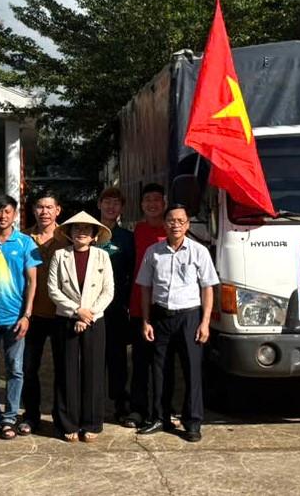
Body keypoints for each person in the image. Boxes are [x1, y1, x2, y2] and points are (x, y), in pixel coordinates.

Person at [136, 204, 219, 442]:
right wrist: (146, 320)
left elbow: (208, 288)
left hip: (189, 317)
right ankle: (160, 417)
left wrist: (204, 323)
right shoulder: (153, 252)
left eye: (180, 221)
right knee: (160, 370)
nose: (175, 225)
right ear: (164, 224)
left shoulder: (199, 251)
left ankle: (192, 422)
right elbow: (145, 288)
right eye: (171, 220)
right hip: (160, 316)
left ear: (187, 225)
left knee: (192, 370)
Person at [0, 195, 41, 440]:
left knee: (15, 370)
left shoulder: (25, 243)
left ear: (15, 214)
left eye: (7, 211)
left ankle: (10, 417)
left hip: (16, 318)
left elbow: (33, 282)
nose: (2, 216)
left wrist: (27, 315)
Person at [48, 212, 114, 442]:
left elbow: (108, 291)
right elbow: (53, 290)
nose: (81, 232)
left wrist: (89, 315)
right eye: (77, 228)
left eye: (87, 229)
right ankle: (67, 422)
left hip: (95, 320)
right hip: (66, 319)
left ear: (95, 235)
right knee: (66, 371)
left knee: (93, 371)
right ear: (69, 232)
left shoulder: (102, 257)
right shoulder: (59, 256)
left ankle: (92, 423)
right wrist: (77, 311)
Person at [20, 191, 67, 435]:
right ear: (33, 210)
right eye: (40, 207)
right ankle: (31, 415)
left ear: (58, 210)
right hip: (32, 314)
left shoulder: (68, 236)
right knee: (28, 368)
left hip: (61, 314)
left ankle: (61, 418)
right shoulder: (22, 238)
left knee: (63, 368)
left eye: (50, 207)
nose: (44, 212)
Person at [126, 183, 171, 428]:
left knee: (163, 362)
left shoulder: (173, 230)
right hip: (138, 306)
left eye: (157, 199)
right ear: (141, 205)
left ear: (164, 203)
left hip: (166, 306)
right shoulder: (137, 231)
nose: (152, 204)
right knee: (140, 360)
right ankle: (137, 409)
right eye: (147, 200)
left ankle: (163, 408)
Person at [96, 187, 136, 421]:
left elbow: (132, 273)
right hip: (91, 308)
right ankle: (91, 404)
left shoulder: (127, 238)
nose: (111, 207)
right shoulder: (88, 232)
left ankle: (121, 402)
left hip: (117, 307)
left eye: (116, 203)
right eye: (107, 202)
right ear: (99, 204)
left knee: (117, 358)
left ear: (121, 208)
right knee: (92, 359)